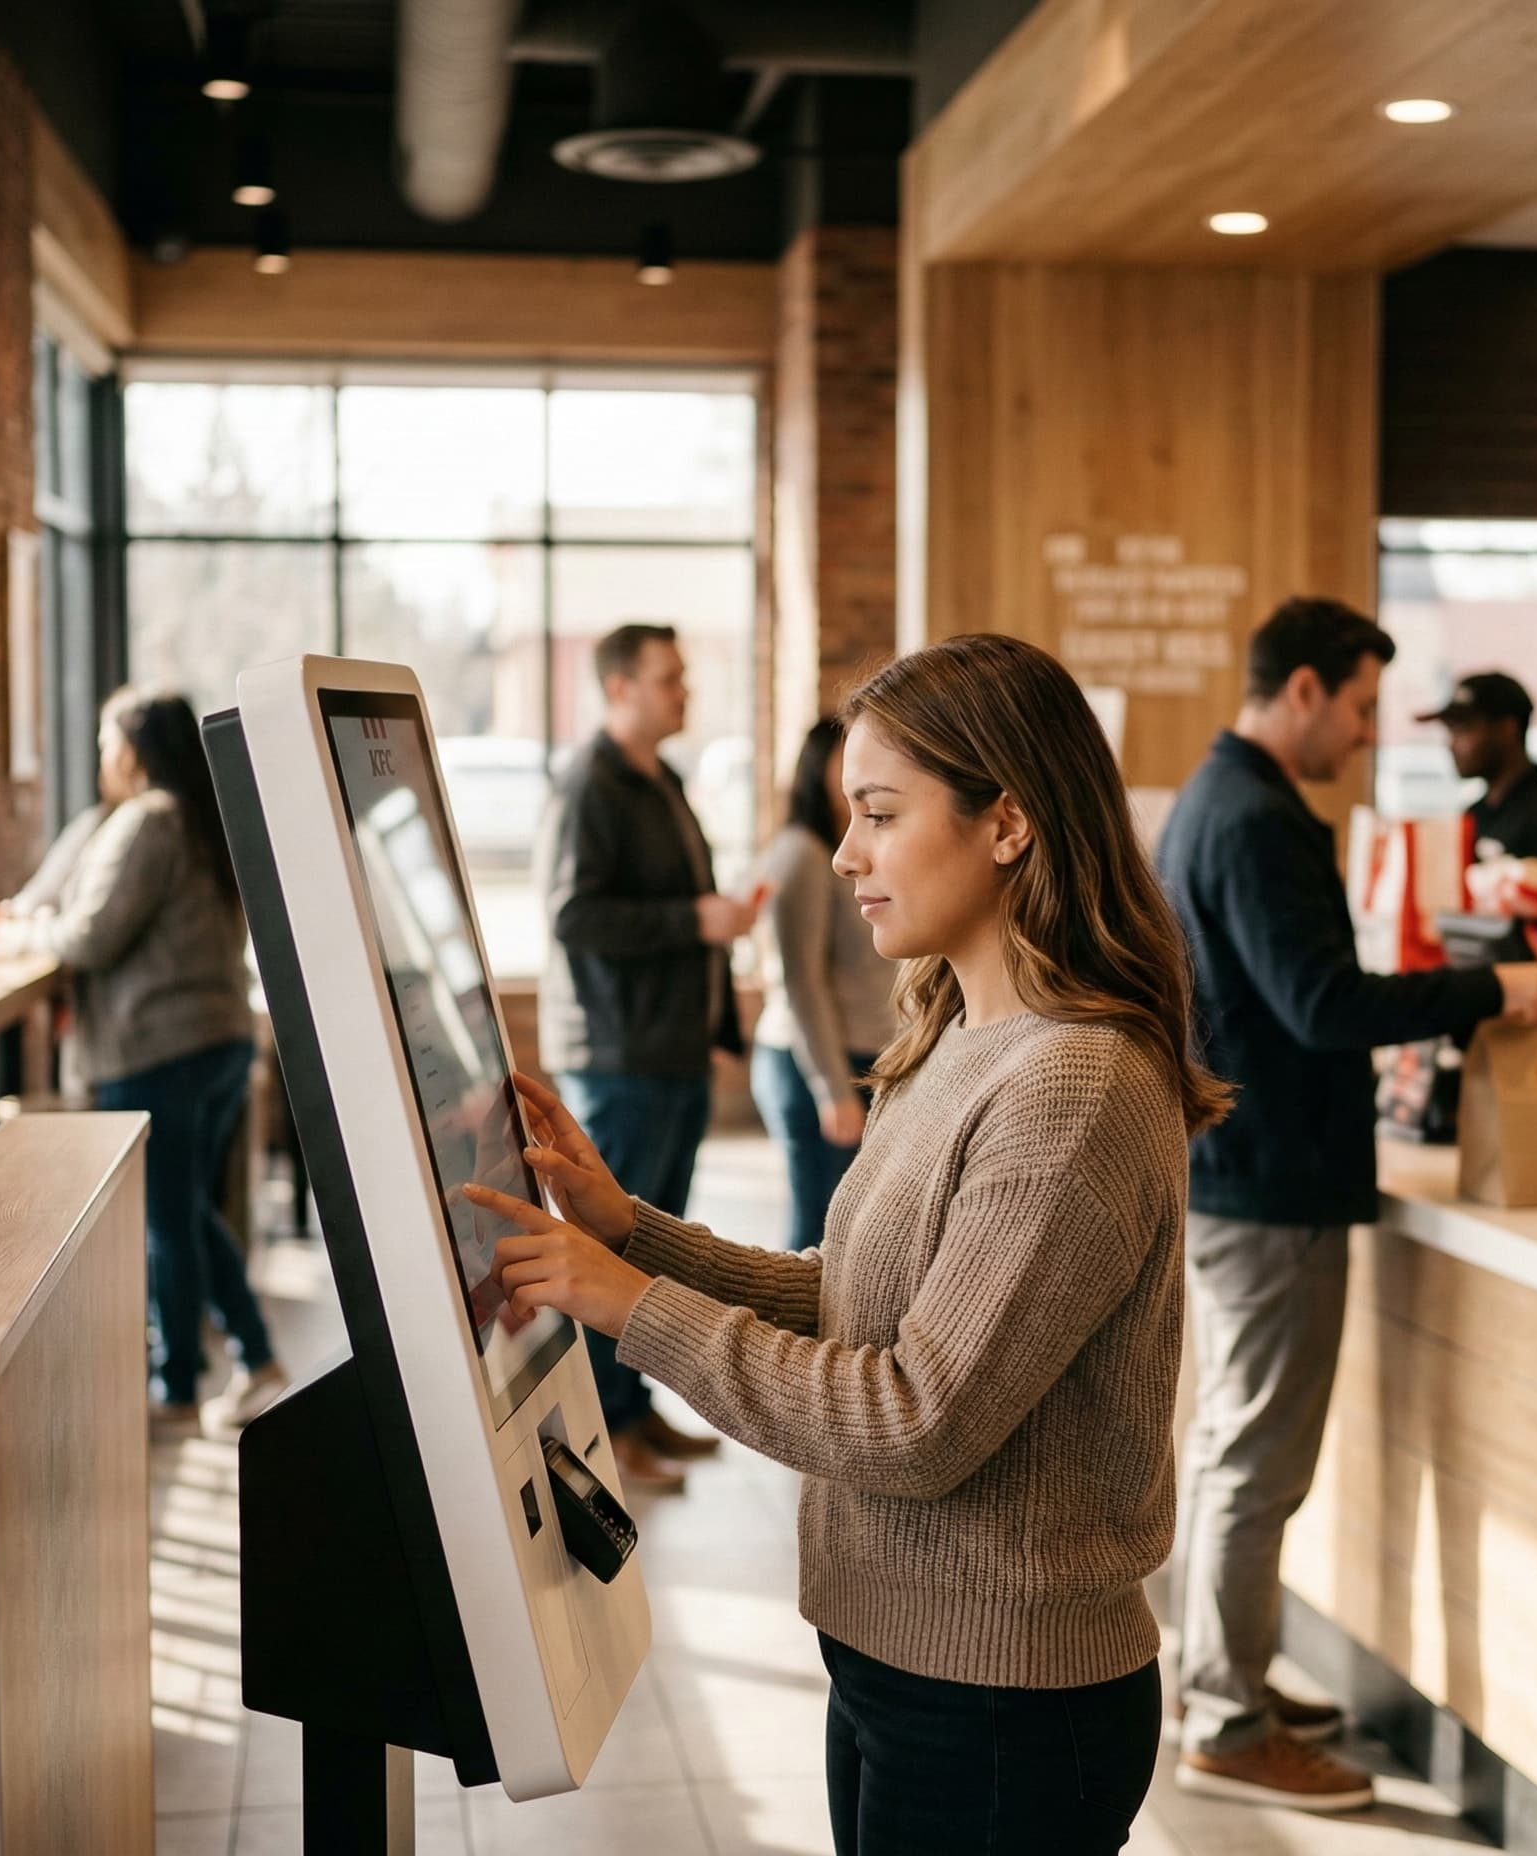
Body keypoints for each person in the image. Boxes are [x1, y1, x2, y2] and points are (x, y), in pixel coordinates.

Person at [471, 634, 1223, 1855]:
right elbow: (848, 1300)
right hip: (899, 1661)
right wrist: (629, 1231)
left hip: (1002, 1707)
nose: (846, 854)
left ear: (1009, 824)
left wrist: (632, 1307)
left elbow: (913, 1415)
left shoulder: (1072, 1085)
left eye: (879, 812)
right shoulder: (953, 1029)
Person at [1156, 599, 1537, 1814]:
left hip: (1246, 1165)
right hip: (1271, 1177)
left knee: (1237, 1441)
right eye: (1364, 706)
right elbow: (1322, 1005)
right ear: (1305, 691)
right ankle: (1226, 1716)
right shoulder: (1260, 816)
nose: (1370, 734)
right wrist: (1494, 986)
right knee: (1257, 1456)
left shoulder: (1213, 797)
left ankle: (1216, 1678)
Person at [5, 688, 285, 1436]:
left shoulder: (148, 821)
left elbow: (92, 937)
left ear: (130, 751)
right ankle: (256, 1360)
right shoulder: (201, 815)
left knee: (167, 1217)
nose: (102, 760)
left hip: (160, 1046)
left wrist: (23, 933)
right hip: (218, 1038)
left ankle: (179, 1390)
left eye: (105, 744)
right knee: (184, 1208)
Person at [539, 622, 763, 1492]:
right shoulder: (588, 786)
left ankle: (635, 1412)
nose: (685, 694)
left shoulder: (660, 778)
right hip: (620, 1053)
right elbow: (572, 917)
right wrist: (692, 922)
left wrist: (713, 921)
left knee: (654, 1241)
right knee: (609, 1250)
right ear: (619, 688)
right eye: (669, 679)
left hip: (671, 1047)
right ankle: (605, 1431)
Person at [750, 717, 897, 1250]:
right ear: (819, 769)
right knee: (818, 1231)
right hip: (814, 1060)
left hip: (855, 1055)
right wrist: (832, 1089)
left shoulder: (837, 847)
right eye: (849, 763)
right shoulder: (806, 855)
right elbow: (801, 986)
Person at [1418, 671, 1537, 861]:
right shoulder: (1474, 814)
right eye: (1450, 731)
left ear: (1507, 730)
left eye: (1462, 729)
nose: (1451, 744)